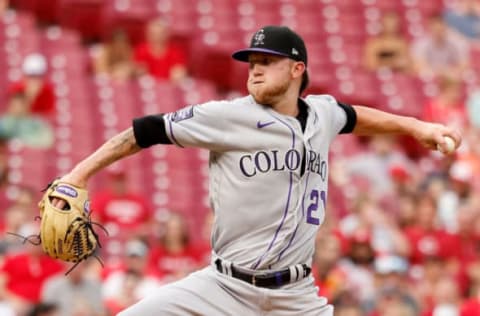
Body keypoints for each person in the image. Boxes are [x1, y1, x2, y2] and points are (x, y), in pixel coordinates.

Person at [50, 25, 461, 315]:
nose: (255, 70)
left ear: (297, 69)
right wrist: (79, 174)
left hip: (297, 296)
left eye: (267, 61)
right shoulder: (228, 116)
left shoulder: (323, 112)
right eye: (252, 63)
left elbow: (355, 116)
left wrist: (419, 127)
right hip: (224, 287)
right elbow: (144, 131)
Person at [134, 17, 188, 83]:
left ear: (167, 34)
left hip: (169, 86)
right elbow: (139, 71)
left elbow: (179, 72)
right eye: (153, 34)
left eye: (160, 33)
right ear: (147, 34)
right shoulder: (141, 50)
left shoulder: (176, 51)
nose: (157, 37)